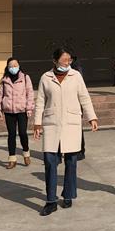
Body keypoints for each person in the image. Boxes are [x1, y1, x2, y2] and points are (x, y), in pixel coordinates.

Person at [34, 48, 99, 216]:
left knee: (71, 162)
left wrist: (92, 117)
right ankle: (51, 201)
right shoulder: (45, 77)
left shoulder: (76, 76)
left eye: (69, 60)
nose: (67, 63)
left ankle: (68, 195)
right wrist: (37, 123)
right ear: (55, 60)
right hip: (51, 124)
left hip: (71, 124)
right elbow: (40, 101)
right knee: (50, 162)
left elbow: (84, 97)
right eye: (64, 60)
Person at [0, 57, 35, 169]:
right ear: (7, 67)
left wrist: (29, 108)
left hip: (22, 110)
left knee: (22, 133)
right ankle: (12, 159)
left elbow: (30, 93)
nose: (13, 68)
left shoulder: (25, 78)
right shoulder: (4, 80)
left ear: (19, 66)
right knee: (11, 135)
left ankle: (26, 153)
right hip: (9, 111)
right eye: (11, 66)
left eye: (15, 65)